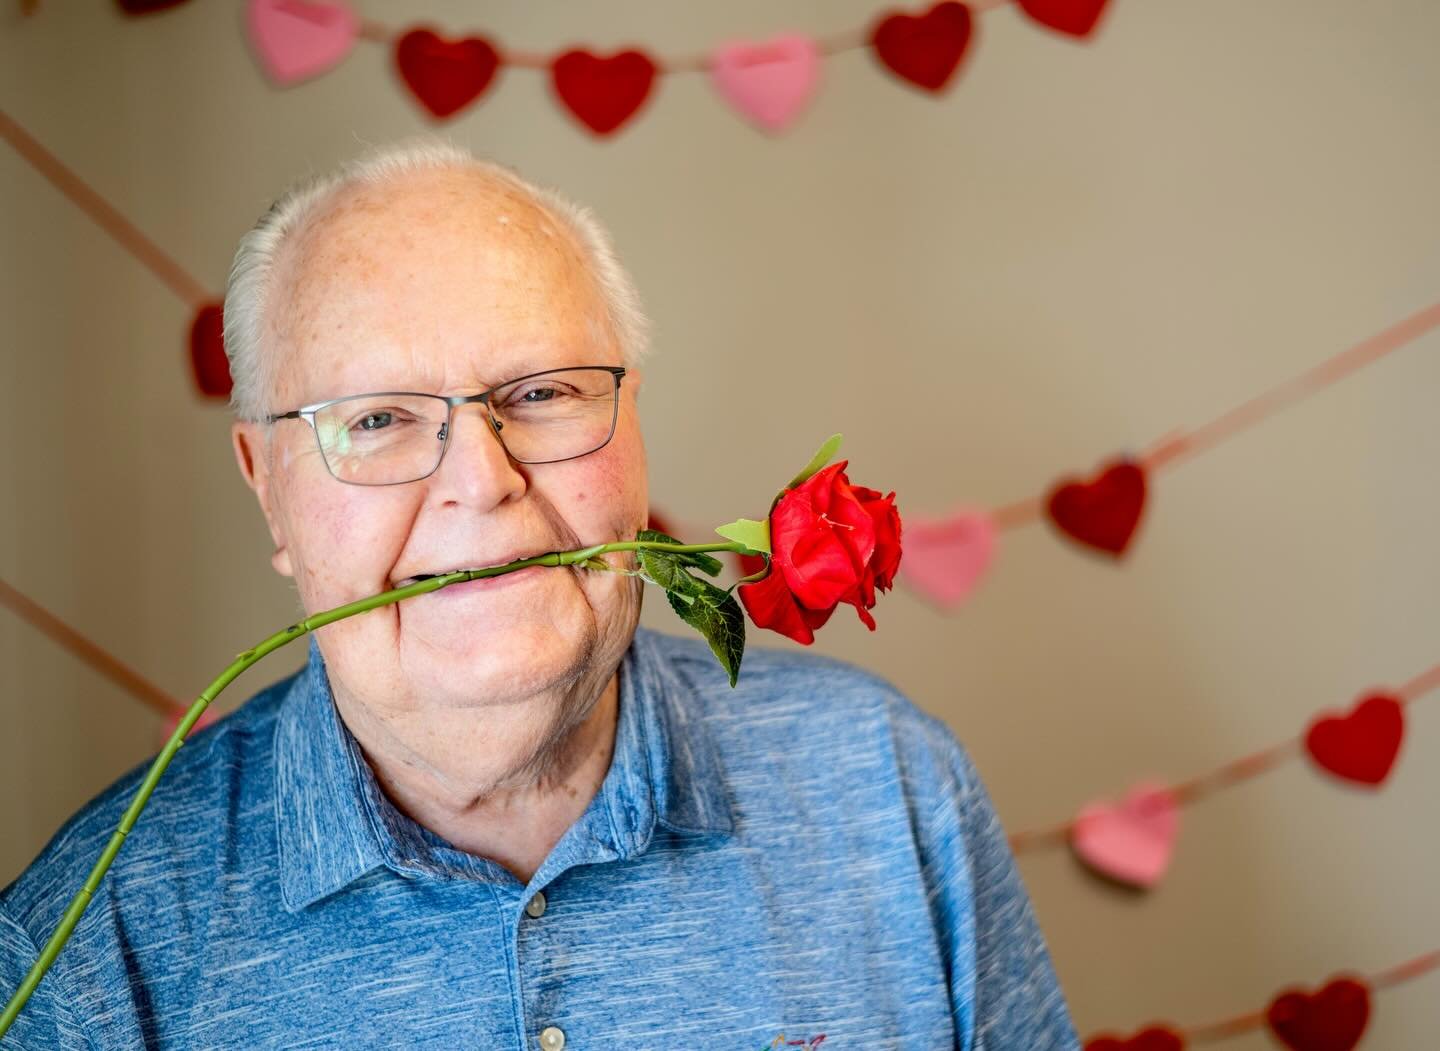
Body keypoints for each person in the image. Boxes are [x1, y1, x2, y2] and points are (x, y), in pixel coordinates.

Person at [0, 139, 1080, 1049]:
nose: (483, 478)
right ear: (268, 487)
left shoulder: (892, 792)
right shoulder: (95, 941)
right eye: (377, 418)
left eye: (544, 393)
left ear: (636, 421)